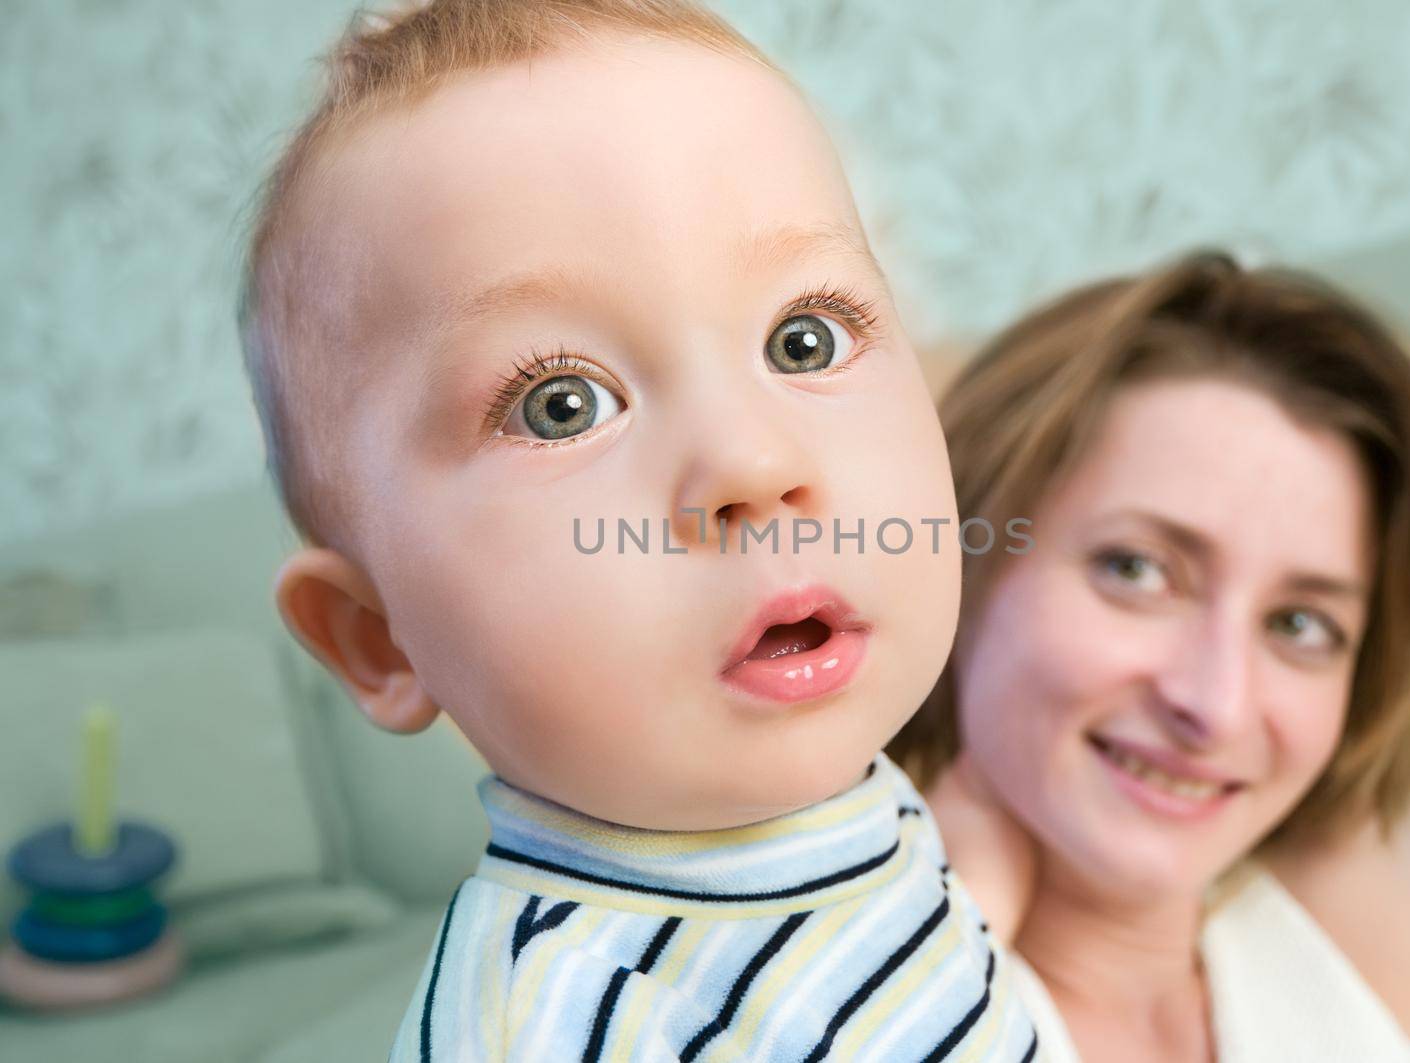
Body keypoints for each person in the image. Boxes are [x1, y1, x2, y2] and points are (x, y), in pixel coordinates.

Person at [236, 0, 1041, 1058]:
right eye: (560, 403)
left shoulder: (847, 812)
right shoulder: (561, 1018)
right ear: (376, 637)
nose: (755, 465)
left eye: (803, 341)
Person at [890, 251, 1410, 1061]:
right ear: (960, 562)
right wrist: (948, 931)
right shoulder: (793, 979)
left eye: (1301, 625)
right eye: (1137, 570)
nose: (1215, 702)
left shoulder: (1390, 940)